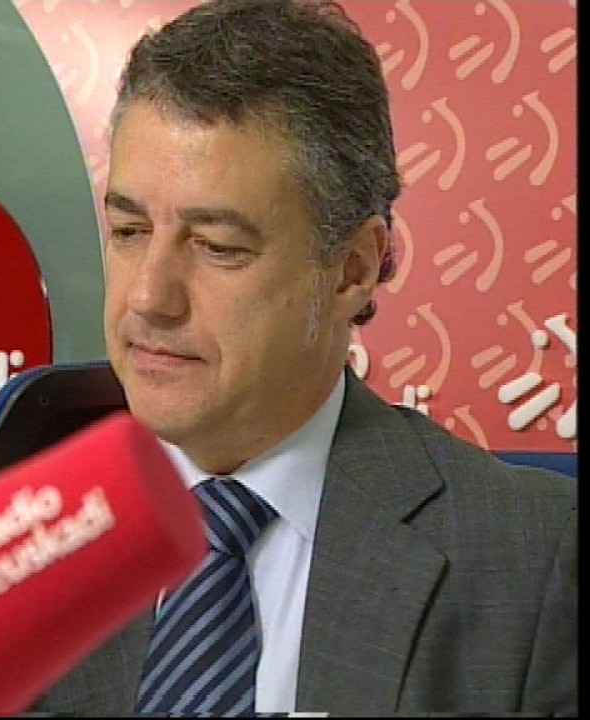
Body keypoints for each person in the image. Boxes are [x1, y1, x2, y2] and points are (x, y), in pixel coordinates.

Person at [29, 0, 577, 715]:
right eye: (129, 231)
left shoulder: (533, 562)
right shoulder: (24, 549)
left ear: (353, 268)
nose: (147, 298)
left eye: (217, 246)